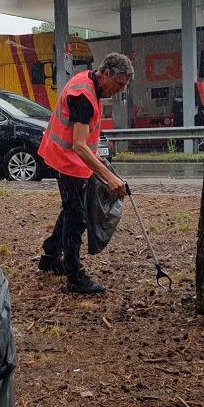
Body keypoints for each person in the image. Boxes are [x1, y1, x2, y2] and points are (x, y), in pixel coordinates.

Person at [37, 52, 134, 293]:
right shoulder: (84, 96)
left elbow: (83, 140)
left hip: (66, 155)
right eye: (119, 84)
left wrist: (95, 157)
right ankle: (74, 276)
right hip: (67, 159)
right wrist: (110, 178)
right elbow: (78, 145)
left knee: (71, 208)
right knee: (77, 217)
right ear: (107, 73)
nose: (120, 90)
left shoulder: (87, 81)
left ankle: (50, 255)